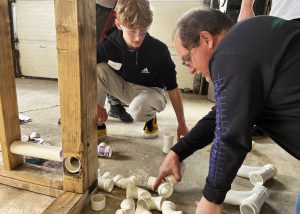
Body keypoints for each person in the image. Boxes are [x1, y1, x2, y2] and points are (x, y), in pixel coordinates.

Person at [153, 9, 300, 213]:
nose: (191, 69)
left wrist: (211, 199)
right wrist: (178, 152)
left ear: (206, 39)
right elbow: (223, 114)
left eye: (188, 59)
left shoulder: (229, 54)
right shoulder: (249, 37)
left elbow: (229, 134)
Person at [96, 0, 189, 139]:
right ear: (118, 25)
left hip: (151, 92)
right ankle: (98, 123)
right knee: (97, 68)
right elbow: (84, 73)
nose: (138, 37)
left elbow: (173, 89)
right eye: (132, 31)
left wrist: (182, 124)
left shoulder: (159, 50)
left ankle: (149, 117)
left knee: (138, 110)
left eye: (143, 31)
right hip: (123, 87)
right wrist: (93, 106)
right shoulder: (107, 45)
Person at [96, 0, 134, 123]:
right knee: (92, 55)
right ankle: (75, 108)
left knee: (117, 51)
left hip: (124, 7)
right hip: (98, 6)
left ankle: (115, 104)